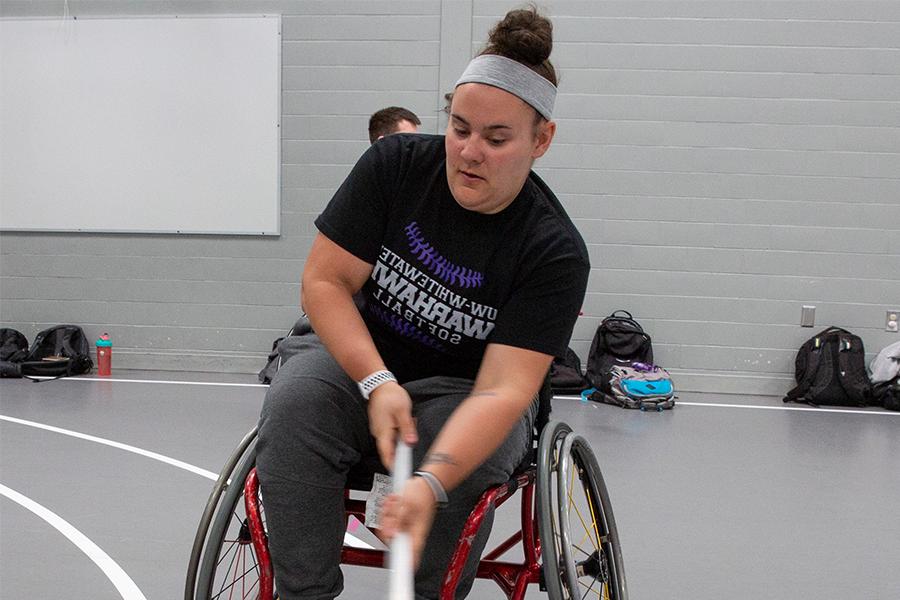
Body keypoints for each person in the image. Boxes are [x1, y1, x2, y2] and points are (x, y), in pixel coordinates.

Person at [256, 6, 589, 599]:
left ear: (542, 140)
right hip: (362, 360)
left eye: (496, 138)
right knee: (295, 403)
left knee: (461, 463)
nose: (468, 152)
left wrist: (431, 482)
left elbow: (503, 390)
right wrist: (376, 380)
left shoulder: (552, 250)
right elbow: (324, 284)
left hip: (467, 390)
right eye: (459, 128)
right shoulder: (396, 168)